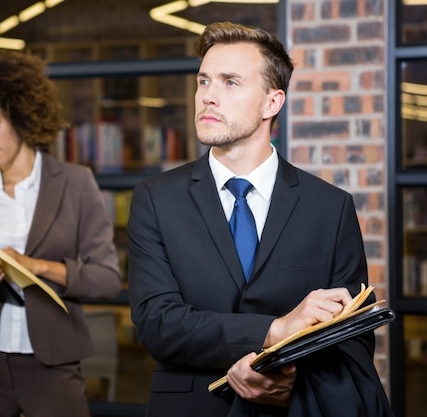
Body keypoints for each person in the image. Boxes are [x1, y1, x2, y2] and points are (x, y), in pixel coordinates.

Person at [127, 21, 394, 417]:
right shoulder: (155, 198)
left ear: (272, 102)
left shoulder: (330, 208)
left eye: (230, 82)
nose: (208, 97)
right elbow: (157, 323)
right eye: (204, 82)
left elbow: (352, 341)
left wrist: (289, 385)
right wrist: (275, 330)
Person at [0, 50, 122, 417]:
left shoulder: (75, 183)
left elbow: (107, 279)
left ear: (19, 114)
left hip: (52, 362)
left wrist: (37, 267)